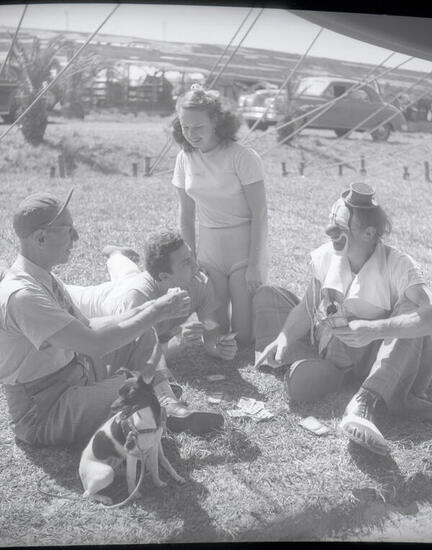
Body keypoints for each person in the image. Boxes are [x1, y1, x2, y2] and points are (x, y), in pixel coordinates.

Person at [0, 190, 223, 447]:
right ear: (41, 237)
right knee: (135, 392)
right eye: (68, 230)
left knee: (142, 335)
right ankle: (157, 408)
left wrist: (149, 309)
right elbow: (95, 343)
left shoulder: (43, 278)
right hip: (44, 410)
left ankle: (168, 405)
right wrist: (155, 311)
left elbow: (89, 325)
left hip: (75, 374)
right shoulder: (23, 295)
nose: (76, 237)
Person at [255, 182, 432, 456]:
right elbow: (308, 305)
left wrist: (374, 329)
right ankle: (332, 372)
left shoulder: (399, 264)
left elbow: (428, 316)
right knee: (267, 296)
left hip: (380, 357)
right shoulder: (327, 255)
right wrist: (284, 337)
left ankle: (366, 401)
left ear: (369, 232)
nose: (330, 231)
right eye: (331, 221)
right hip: (334, 346)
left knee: (411, 308)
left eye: (340, 227)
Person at [171, 83, 268, 345]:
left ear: (216, 122)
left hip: (244, 251)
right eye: (185, 127)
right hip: (209, 250)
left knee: (243, 337)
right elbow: (186, 214)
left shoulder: (243, 157)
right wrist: (190, 260)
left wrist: (255, 265)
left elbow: (260, 213)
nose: (191, 134)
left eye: (198, 127)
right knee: (216, 331)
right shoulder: (183, 158)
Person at [66, 230, 238, 364]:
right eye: (186, 262)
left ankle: (116, 254)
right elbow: (136, 357)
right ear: (164, 276)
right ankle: (116, 256)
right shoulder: (137, 298)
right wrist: (178, 342)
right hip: (87, 302)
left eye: (191, 255)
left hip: (131, 283)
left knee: (128, 276)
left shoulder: (199, 282)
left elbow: (210, 330)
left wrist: (218, 348)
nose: (195, 264)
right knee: (63, 292)